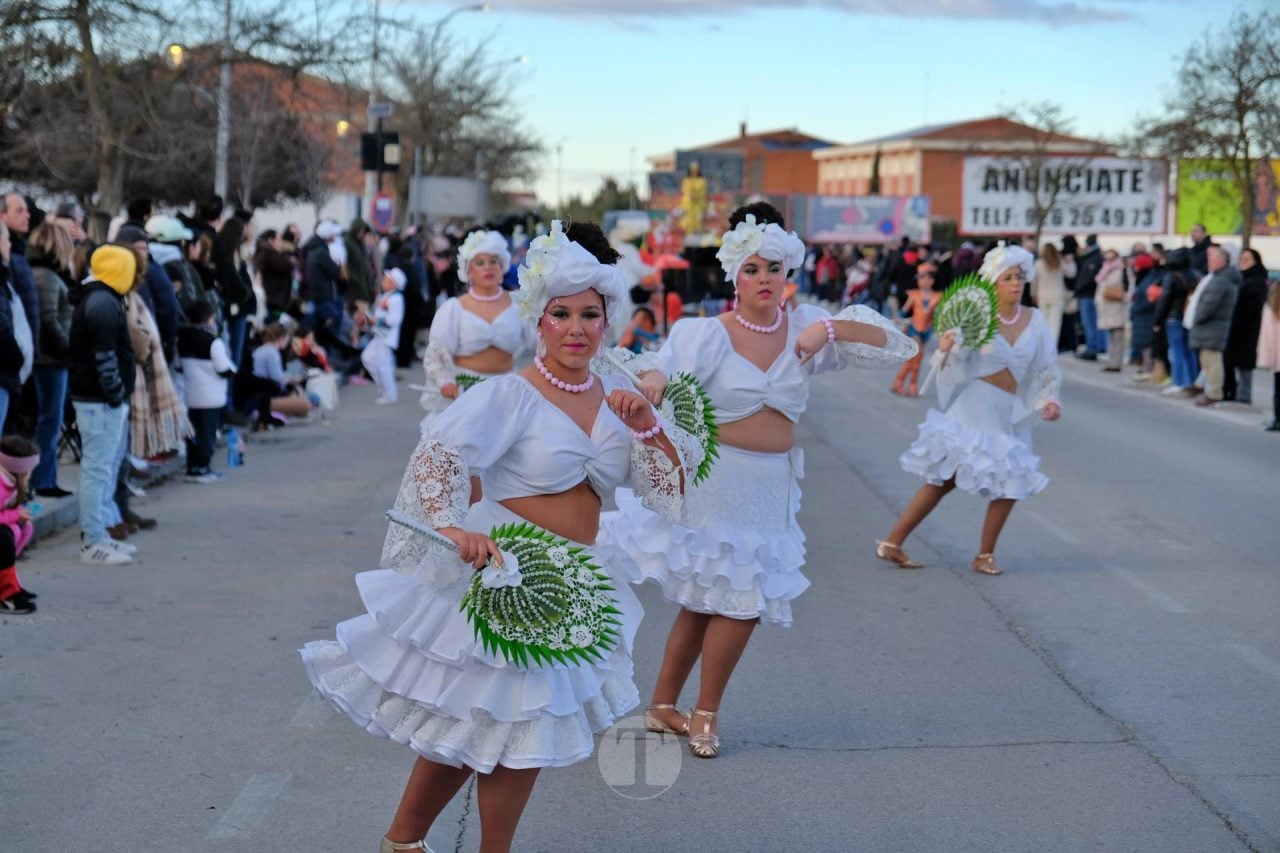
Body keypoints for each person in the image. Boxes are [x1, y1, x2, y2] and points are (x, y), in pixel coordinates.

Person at [301, 220, 701, 853]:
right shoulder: (511, 396)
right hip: (508, 572)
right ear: (538, 323)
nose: (576, 328)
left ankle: (413, 844)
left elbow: (668, 491)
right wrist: (453, 526)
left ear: (607, 321)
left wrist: (649, 426)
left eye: (589, 316)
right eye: (561, 314)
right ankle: (408, 842)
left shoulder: (620, 394)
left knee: (509, 732)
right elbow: (440, 455)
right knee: (479, 725)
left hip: (574, 579)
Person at [602, 202, 917, 759]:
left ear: (789, 272)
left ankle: (664, 706)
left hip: (771, 488)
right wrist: (650, 385)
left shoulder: (806, 331)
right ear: (734, 277)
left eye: (774, 268)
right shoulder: (708, 335)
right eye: (752, 270)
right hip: (717, 480)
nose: (764, 279)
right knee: (723, 601)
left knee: (719, 601)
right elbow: (658, 368)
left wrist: (827, 327)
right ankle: (697, 713)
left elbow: (895, 344)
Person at [880, 243, 1062, 576]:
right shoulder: (978, 318)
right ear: (994, 283)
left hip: (1011, 411)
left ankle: (984, 555)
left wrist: (1049, 400)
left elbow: (1044, 368)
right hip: (977, 406)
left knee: (1012, 483)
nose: (1016, 284)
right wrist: (948, 349)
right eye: (1008, 278)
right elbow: (953, 365)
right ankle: (893, 542)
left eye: (1020, 277)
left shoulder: (1035, 320)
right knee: (944, 479)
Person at [420, 229, 532, 431]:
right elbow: (435, 354)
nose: (487, 268)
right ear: (468, 270)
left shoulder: (520, 305)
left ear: (502, 266)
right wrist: (445, 381)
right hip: (464, 393)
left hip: (505, 394)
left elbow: (543, 345)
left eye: (493, 262)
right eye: (479, 263)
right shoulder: (454, 308)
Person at [68, 245, 138, 566]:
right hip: (99, 401)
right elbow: (105, 357)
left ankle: (100, 535)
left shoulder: (100, 299)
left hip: (100, 399)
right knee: (97, 470)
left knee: (102, 468)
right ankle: (93, 540)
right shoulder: (102, 303)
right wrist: (116, 394)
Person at [29, 224, 75, 497]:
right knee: (49, 420)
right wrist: (67, 350)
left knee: (50, 420)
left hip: (50, 359)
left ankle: (45, 478)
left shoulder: (45, 274)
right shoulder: (46, 276)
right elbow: (48, 319)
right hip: (50, 360)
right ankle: (42, 480)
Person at [178, 301, 235, 483]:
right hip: (211, 396)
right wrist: (234, 370)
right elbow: (223, 368)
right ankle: (203, 468)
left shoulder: (182, 339)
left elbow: (179, 366)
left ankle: (192, 468)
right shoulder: (213, 342)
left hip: (191, 394)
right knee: (207, 435)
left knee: (193, 434)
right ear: (210, 318)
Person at [1187, 245, 1240, 407]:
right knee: (1208, 361)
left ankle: (1214, 393)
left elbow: (1209, 305)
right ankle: (1207, 389)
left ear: (1221, 261)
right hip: (1212, 327)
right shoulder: (1221, 278)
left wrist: (1196, 317)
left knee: (1212, 361)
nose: (1208, 261)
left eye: (1212, 258)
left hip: (1212, 327)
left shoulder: (1220, 281)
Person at [1223, 248, 1268, 405]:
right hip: (1234, 326)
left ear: (1256, 261)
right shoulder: (1239, 278)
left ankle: (1244, 395)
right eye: (1242, 259)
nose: (1243, 262)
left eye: (1247, 259)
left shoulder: (1257, 281)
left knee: (1244, 362)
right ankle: (1230, 391)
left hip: (1248, 327)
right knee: (1229, 359)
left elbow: (1253, 306)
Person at [0, 435, 39, 613]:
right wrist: (15, 515)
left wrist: (18, 517)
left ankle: (11, 582)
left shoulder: (10, 481)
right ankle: (5, 593)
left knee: (23, 528)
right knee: (5, 539)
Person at [893, 260, 939, 396]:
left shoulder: (937, 297)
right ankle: (907, 383)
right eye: (919, 278)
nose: (921, 281)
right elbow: (904, 311)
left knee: (917, 356)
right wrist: (897, 322)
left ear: (931, 280)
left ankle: (903, 383)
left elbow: (938, 314)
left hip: (927, 330)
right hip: (914, 329)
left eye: (924, 278)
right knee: (916, 355)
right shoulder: (914, 295)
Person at [361, 268, 406, 404]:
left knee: (383, 364)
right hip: (379, 335)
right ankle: (383, 387)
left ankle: (390, 394)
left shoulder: (396, 298)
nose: (383, 281)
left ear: (394, 283)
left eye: (387, 279)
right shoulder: (385, 296)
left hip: (387, 337)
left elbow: (395, 319)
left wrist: (378, 320)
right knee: (367, 358)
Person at [1096, 249, 1128, 372]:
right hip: (1106, 307)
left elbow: (1126, 288)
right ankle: (1111, 362)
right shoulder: (1104, 270)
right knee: (1111, 337)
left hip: (1116, 306)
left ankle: (1115, 363)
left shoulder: (1122, 270)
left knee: (1118, 336)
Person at [1257, 270, 1280, 430]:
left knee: (1278, 389)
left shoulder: (1271, 306)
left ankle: (1277, 419)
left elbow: (1267, 334)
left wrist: (1267, 358)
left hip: (1277, 355)